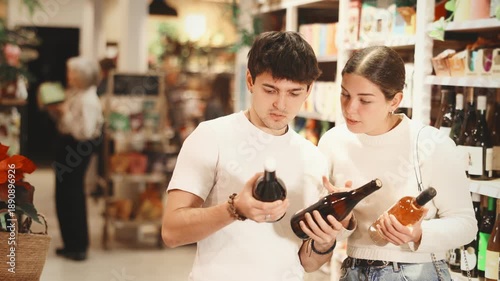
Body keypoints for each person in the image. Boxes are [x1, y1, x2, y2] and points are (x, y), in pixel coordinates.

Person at [162, 31, 343, 281]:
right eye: (270, 89)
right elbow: (172, 232)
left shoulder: (313, 157)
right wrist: (234, 209)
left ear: (309, 90)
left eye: (293, 93)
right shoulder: (211, 136)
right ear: (250, 80)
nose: (281, 104)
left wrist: (325, 241)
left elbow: (309, 263)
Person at [317, 46, 478, 280]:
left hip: (418, 271)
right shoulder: (333, 142)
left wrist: (419, 233)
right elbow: (333, 235)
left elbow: (466, 225)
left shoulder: (432, 144)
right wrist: (341, 217)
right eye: (345, 94)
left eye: (365, 100)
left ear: (395, 100)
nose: (350, 108)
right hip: (353, 269)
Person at [46, 56, 103, 261]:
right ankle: (70, 242)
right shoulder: (77, 94)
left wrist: (64, 113)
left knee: (72, 195)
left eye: (72, 72)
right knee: (64, 195)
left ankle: (77, 245)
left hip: (76, 149)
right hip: (69, 147)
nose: (69, 76)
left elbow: (84, 132)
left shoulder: (87, 99)